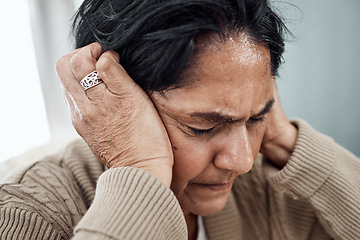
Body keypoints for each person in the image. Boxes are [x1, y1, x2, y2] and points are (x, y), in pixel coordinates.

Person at [1, 0, 359, 239]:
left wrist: (283, 139)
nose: (243, 161)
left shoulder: (272, 188)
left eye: (256, 118)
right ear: (113, 101)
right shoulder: (30, 213)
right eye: (202, 127)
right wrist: (139, 167)